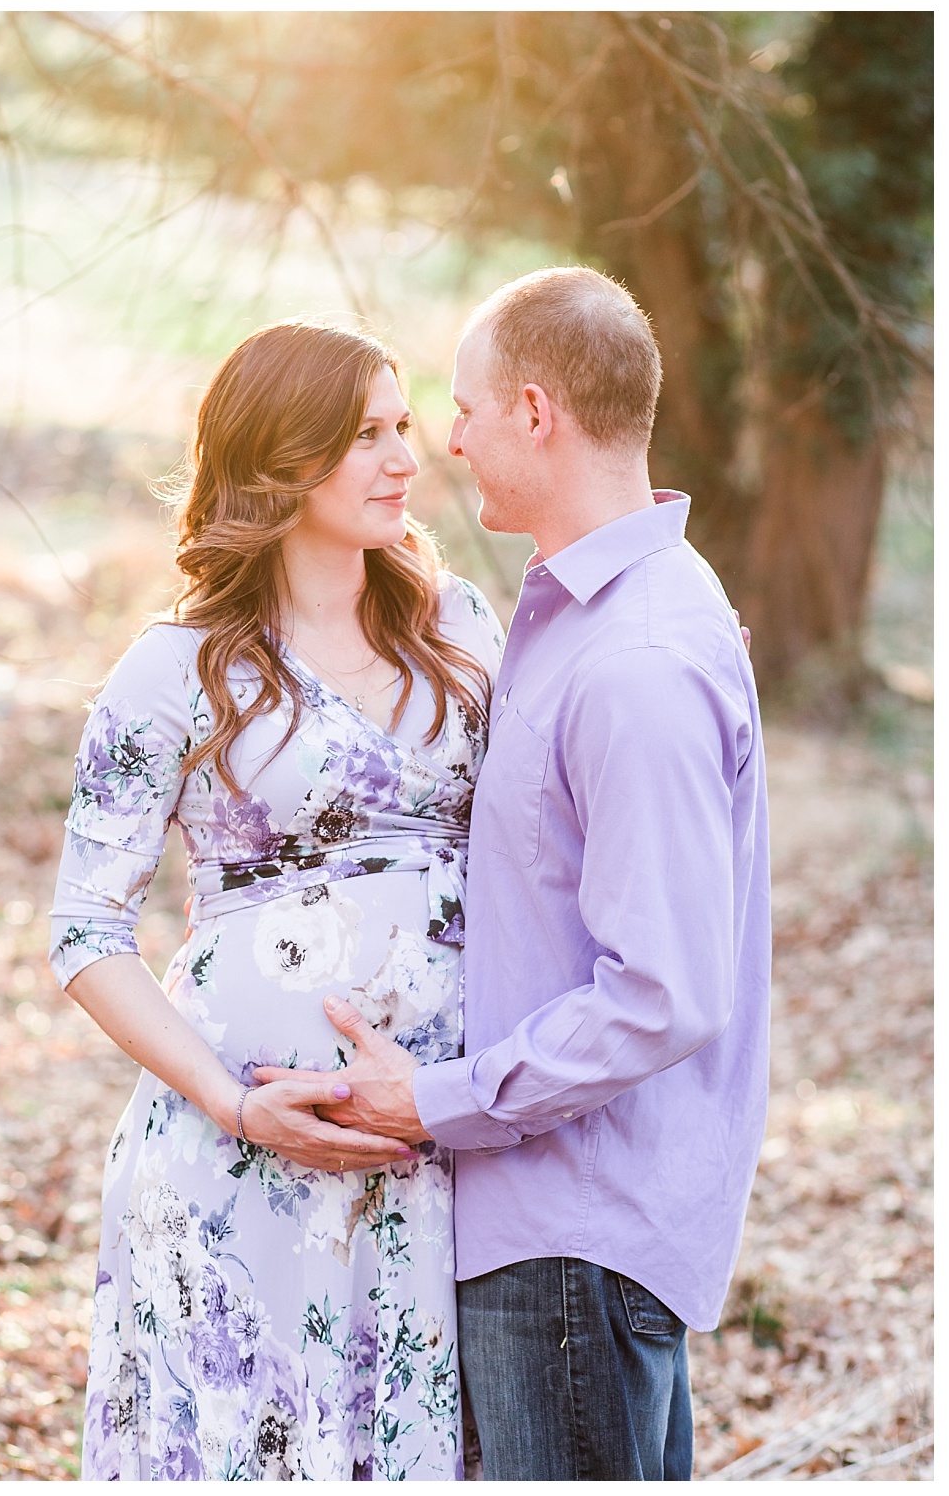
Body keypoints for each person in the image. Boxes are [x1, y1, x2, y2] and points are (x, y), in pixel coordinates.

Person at [274, 267, 772, 1481]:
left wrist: (433, 1102)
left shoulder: (634, 661)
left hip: (570, 1240)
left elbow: (662, 991)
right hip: (558, 1231)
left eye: (467, 408)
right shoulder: (582, 614)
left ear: (537, 413)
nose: (446, 440)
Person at [48, 320, 506, 1481]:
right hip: (235, 1154)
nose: (406, 458)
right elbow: (86, 930)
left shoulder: (457, 632)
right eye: (366, 435)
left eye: (405, 426)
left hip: (436, 1145)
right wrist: (229, 1101)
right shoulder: (179, 667)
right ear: (280, 459)